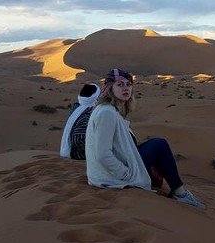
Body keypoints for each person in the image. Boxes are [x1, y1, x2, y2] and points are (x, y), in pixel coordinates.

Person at [85, 68, 204, 208]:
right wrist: (126, 174)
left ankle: (177, 191)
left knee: (155, 144)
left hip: (107, 172)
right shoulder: (107, 113)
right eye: (120, 84)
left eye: (128, 84)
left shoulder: (108, 110)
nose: (125, 88)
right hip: (110, 177)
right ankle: (180, 193)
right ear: (110, 88)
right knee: (160, 144)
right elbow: (102, 154)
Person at [60, 83, 101, 160]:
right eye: (99, 97)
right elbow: (78, 139)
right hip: (78, 156)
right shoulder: (85, 115)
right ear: (95, 99)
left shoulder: (77, 110)